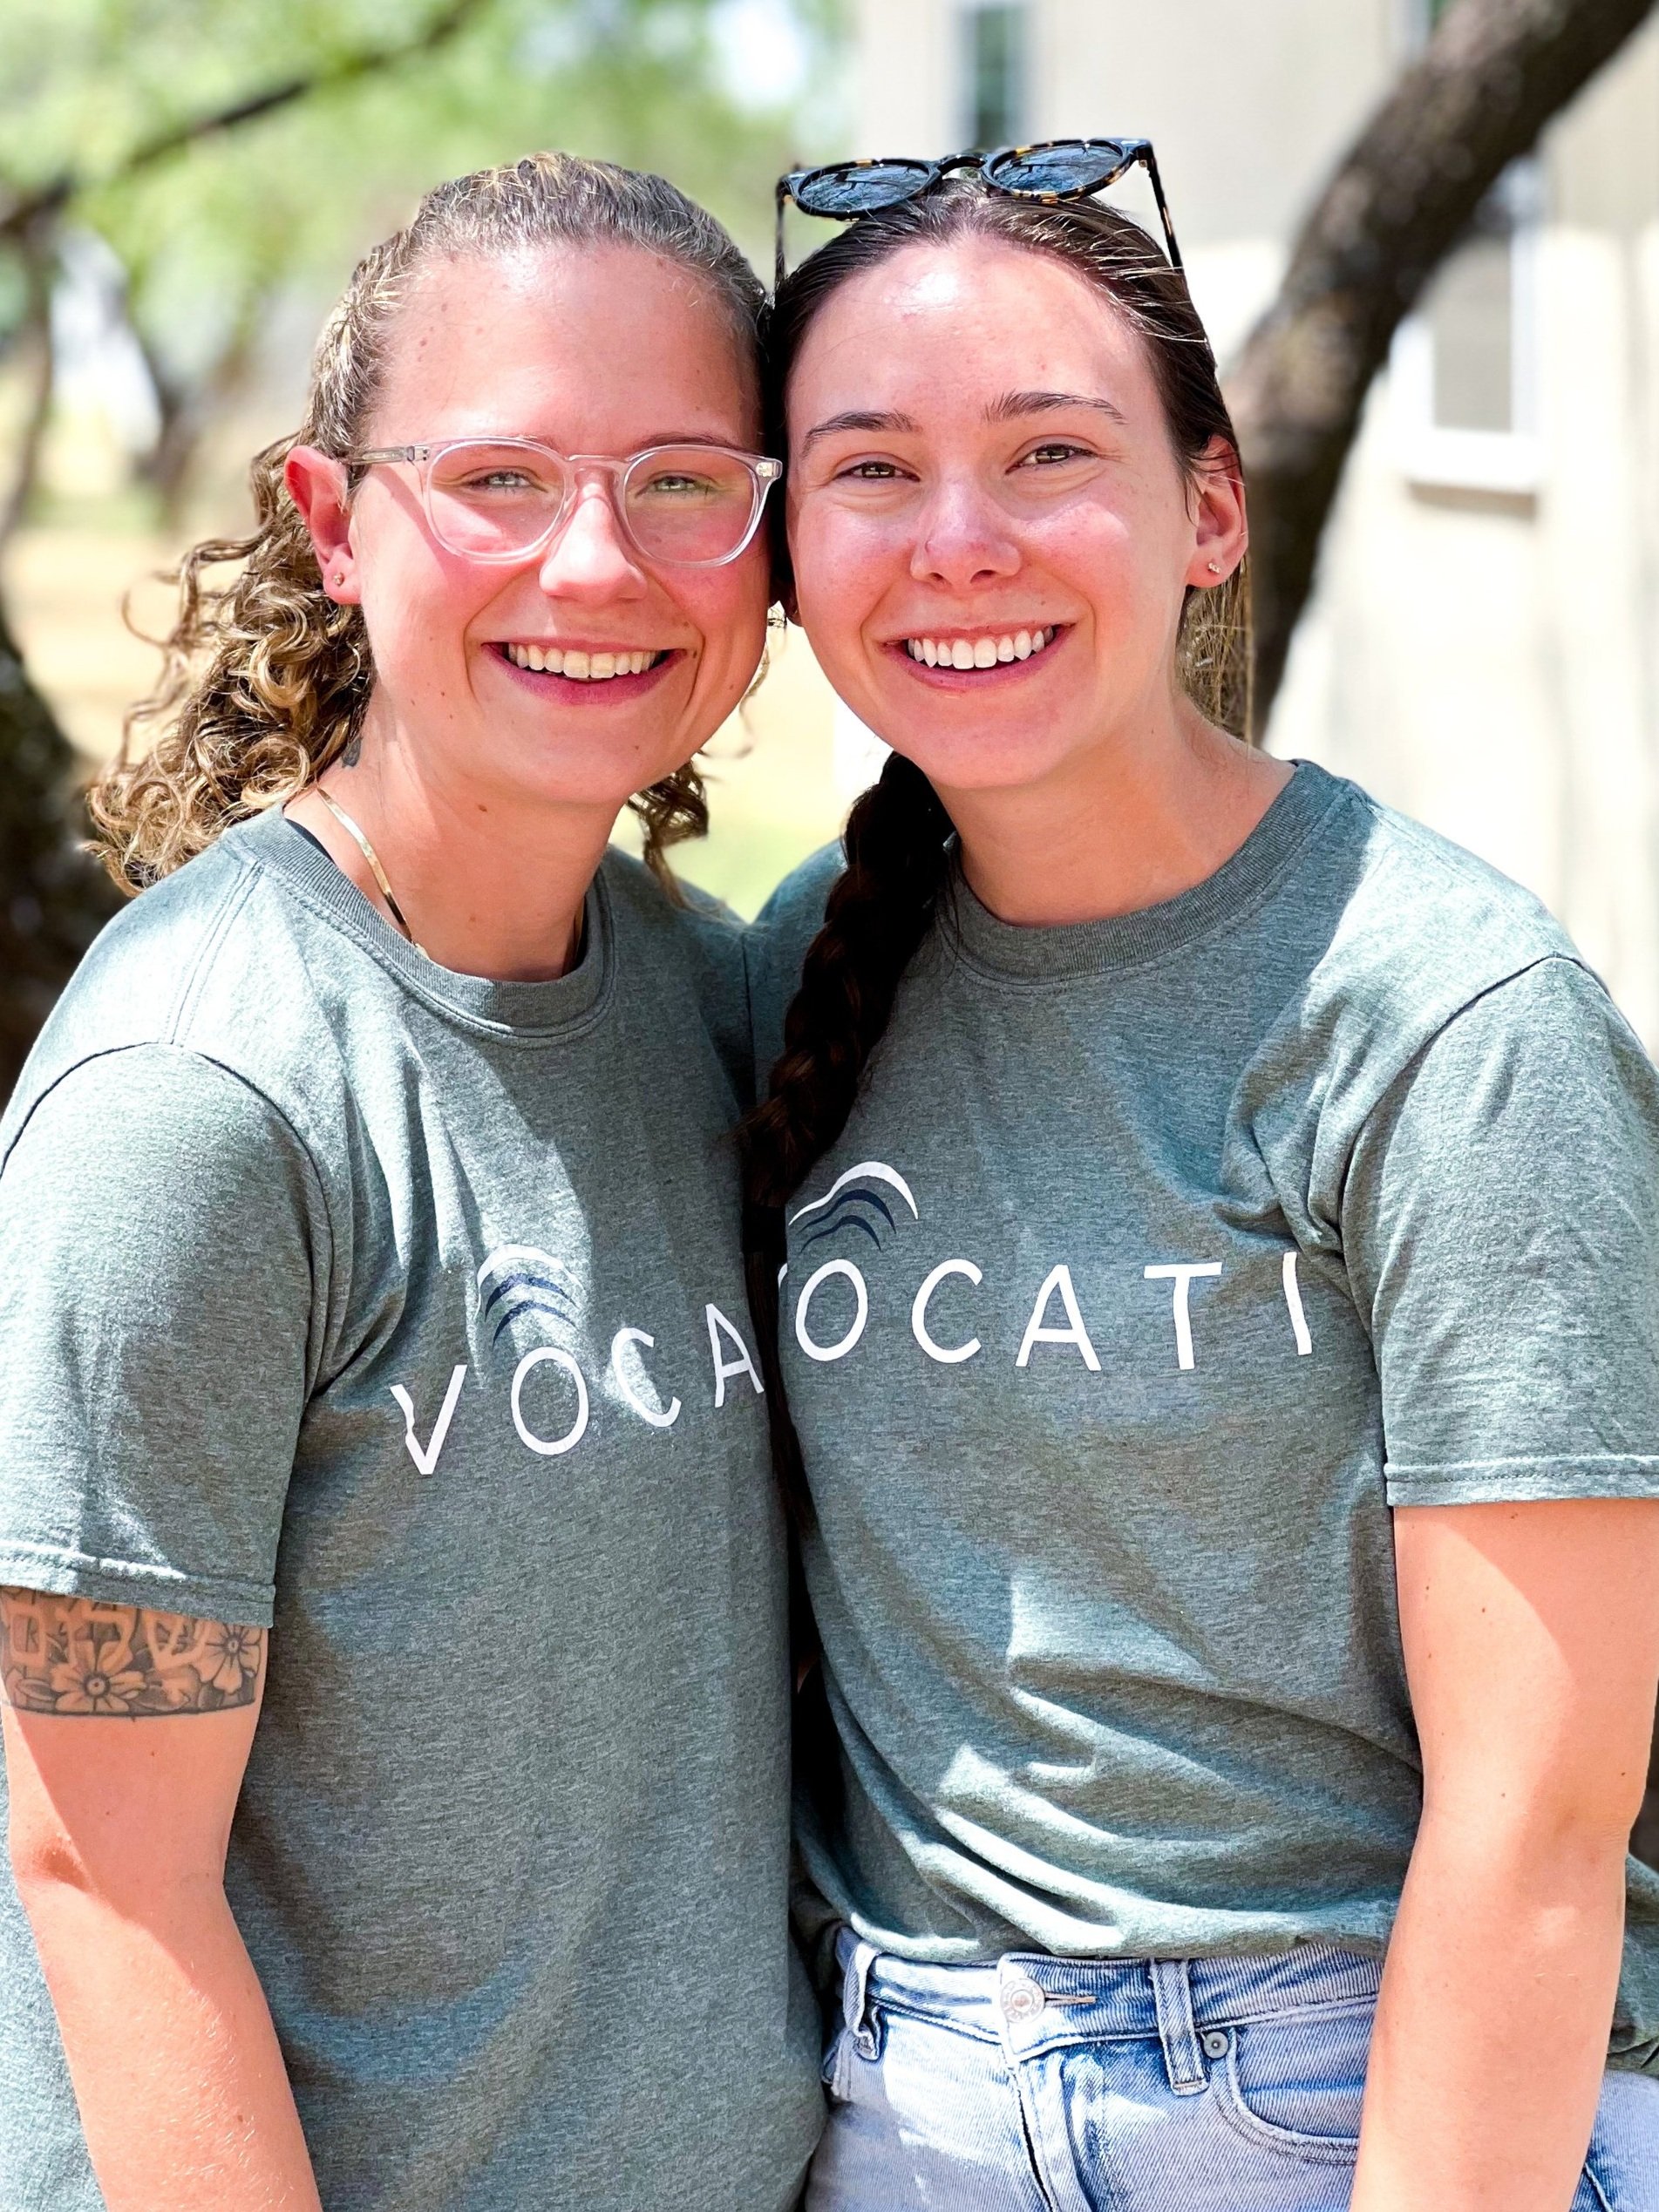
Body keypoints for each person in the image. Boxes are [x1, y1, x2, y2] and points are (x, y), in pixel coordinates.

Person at [744, 159, 1659, 2210]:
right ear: (790, 552)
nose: (958, 542)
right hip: (894, 2105)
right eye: (869, 471)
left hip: (1365, 2099)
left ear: (1212, 512)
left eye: (1049, 453)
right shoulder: (802, 969)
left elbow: (1539, 1817)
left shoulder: (1449, 1016)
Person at [0, 152, 821, 2212]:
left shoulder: (700, 1007)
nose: (595, 564)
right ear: (333, 521)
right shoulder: (198, 1102)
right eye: (500, 481)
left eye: (680, 483)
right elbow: (98, 1872)